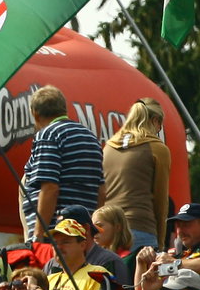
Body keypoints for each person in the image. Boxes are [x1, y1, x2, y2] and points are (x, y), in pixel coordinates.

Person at [22, 86, 105, 240]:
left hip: (57, 234)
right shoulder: (91, 138)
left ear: (35, 114)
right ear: (64, 110)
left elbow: (50, 187)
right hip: (82, 233)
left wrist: (39, 234)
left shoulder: (49, 135)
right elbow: (100, 190)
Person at [102, 98, 172, 249]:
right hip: (140, 228)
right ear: (155, 120)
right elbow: (161, 201)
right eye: (160, 125)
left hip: (107, 230)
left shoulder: (108, 147)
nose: (159, 130)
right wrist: (160, 241)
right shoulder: (158, 149)